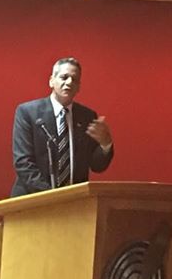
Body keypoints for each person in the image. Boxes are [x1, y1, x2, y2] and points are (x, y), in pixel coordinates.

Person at [11, 57, 114, 196]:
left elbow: (97, 166)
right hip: (33, 199)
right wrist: (54, 196)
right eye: (64, 77)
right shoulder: (28, 113)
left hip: (73, 201)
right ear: (51, 81)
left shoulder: (87, 117)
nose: (69, 82)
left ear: (79, 87)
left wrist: (105, 144)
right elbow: (23, 163)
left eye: (74, 79)